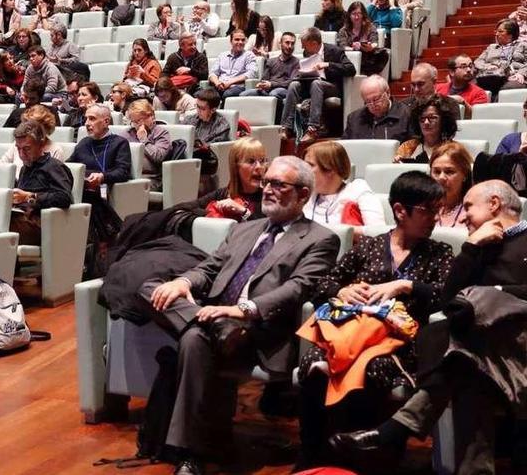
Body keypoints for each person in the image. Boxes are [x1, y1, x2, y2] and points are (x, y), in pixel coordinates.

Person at [140, 156, 340, 475]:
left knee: (193, 338)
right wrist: (183, 282)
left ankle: (189, 454)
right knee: (151, 286)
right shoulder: (244, 229)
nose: (268, 189)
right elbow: (209, 267)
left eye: (279, 184)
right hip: (216, 316)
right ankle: (215, 328)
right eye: (267, 182)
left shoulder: (320, 238)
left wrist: (241, 310)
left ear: (303, 194)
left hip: (259, 327)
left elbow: (297, 289)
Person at [330, 180, 527, 475]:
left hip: (519, 345)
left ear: (495, 205)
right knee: (466, 369)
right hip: (483, 353)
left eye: (469, 206)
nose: (462, 216)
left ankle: (395, 430)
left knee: (454, 347)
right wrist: (471, 249)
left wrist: (497, 292)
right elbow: (449, 302)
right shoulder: (480, 248)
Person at [295, 170, 452, 470]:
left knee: (370, 366)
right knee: (316, 362)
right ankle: (313, 454)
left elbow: (448, 296)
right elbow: (322, 284)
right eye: (426, 210)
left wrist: (406, 286)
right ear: (399, 211)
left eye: (438, 210)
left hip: (400, 344)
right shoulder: (368, 246)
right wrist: (344, 290)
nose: (434, 217)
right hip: (353, 333)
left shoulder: (439, 252)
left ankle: (361, 455)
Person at [280, 27, 356, 146]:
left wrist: (327, 65)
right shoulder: (307, 53)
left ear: (314, 43)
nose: (303, 48)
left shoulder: (334, 51)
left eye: (304, 45)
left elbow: (351, 69)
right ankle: (286, 127)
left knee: (317, 83)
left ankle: (313, 129)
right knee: (294, 84)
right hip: (311, 84)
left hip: (331, 87)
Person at [68, 104, 132, 245]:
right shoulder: (84, 143)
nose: (87, 124)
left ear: (106, 122)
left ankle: (95, 242)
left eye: (92, 119)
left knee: (90, 197)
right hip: (83, 188)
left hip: (104, 188)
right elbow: (69, 166)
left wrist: (102, 177)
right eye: (86, 119)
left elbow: (122, 172)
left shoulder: (119, 143)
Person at [9, 120, 74, 245]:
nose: (22, 155)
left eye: (27, 149)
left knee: (2, 223)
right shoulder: (25, 168)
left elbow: (64, 197)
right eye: (18, 149)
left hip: (43, 225)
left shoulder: (54, 167)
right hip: (24, 219)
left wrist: (29, 197)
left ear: (41, 144)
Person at [303, 141, 385, 233]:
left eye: (310, 165)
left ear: (330, 169)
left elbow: (378, 231)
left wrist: (342, 232)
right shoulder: (306, 193)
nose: (303, 170)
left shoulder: (358, 189)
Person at [180, 137, 266, 222]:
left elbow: (265, 228)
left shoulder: (268, 197)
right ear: (236, 167)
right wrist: (212, 214)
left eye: (262, 161)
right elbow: (185, 208)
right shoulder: (222, 194)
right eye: (251, 161)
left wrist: (244, 212)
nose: (259, 167)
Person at [121, 99, 171, 191]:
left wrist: (144, 140)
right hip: (128, 176)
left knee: (129, 189)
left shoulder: (161, 133)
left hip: (151, 179)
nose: (137, 125)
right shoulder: (127, 133)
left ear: (151, 116)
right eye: (134, 122)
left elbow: (158, 156)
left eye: (139, 120)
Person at [343, 75, 412, 142]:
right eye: (367, 101)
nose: (372, 105)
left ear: (388, 93)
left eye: (376, 99)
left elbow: (414, 146)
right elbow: (344, 148)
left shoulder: (406, 114)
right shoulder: (354, 119)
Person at [241, 31, 299, 110]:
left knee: (273, 94)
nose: (290, 46)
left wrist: (271, 84)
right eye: (287, 43)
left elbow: (291, 82)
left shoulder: (296, 62)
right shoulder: (271, 61)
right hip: (268, 89)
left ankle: (274, 119)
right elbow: (264, 79)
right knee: (243, 95)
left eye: (292, 44)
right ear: (280, 43)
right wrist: (261, 84)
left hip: (284, 90)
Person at [395, 95, 459, 163]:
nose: (426, 122)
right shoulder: (407, 147)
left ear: (444, 120)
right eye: (422, 118)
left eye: (432, 118)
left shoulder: (454, 149)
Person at [474, 18, 527, 97]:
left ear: (510, 34)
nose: (496, 34)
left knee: (510, 88)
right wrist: (487, 67)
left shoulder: (522, 45)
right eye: (496, 31)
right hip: (491, 76)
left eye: (500, 31)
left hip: (513, 76)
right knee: (473, 87)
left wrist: (521, 73)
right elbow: (478, 61)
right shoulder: (491, 47)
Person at [337, 1, 389, 76]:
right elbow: (342, 46)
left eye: (359, 14)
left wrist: (370, 47)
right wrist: (354, 48)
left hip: (368, 56)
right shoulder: (343, 30)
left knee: (383, 54)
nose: (356, 17)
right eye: (353, 14)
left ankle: (368, 74)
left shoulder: (370, 27)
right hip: (350, 58)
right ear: (349, 15)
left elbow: (374, 42)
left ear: (363, 15)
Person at [429, 142, 473, 229]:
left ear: (465, 175)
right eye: (437, 172)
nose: (441, 178)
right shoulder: (422, 208)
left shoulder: (473, 211)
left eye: (449, 172)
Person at [209, 29, 256, 99]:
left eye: (243, 40)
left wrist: (229, 82)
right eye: (237, 39)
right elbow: (213, 73)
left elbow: (251, 73)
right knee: (203, 94)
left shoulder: (249, 55)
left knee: (227, 94)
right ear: (231, 41)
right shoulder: (222, 55)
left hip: (237, 86)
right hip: (220, 85)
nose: (240, 42)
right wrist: (217, 83)